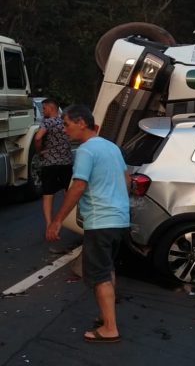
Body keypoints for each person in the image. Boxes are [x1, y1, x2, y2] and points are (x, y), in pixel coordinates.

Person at [46, 104, 130, 343]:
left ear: (81, 122)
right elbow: (127, 180)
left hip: (101, 222)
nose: (64, 130)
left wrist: (57, 220)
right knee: (108, 269)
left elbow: (78, 186)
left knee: (100, 275)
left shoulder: (85, 150)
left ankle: (110, 328)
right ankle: (106, 317)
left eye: (66, 124)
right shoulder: (112, 147)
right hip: (119, 220)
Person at [34, 98, 73, 227]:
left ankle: (49, 224)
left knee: (48, 193)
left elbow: (38, 137)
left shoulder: (47, 122)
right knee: (67, 191)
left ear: (51, 108)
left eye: (44, 108)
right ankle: (67, 220)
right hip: (66, 162)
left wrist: (40, 151)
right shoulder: (66, 122)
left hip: (50, 163)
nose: (43, 111)